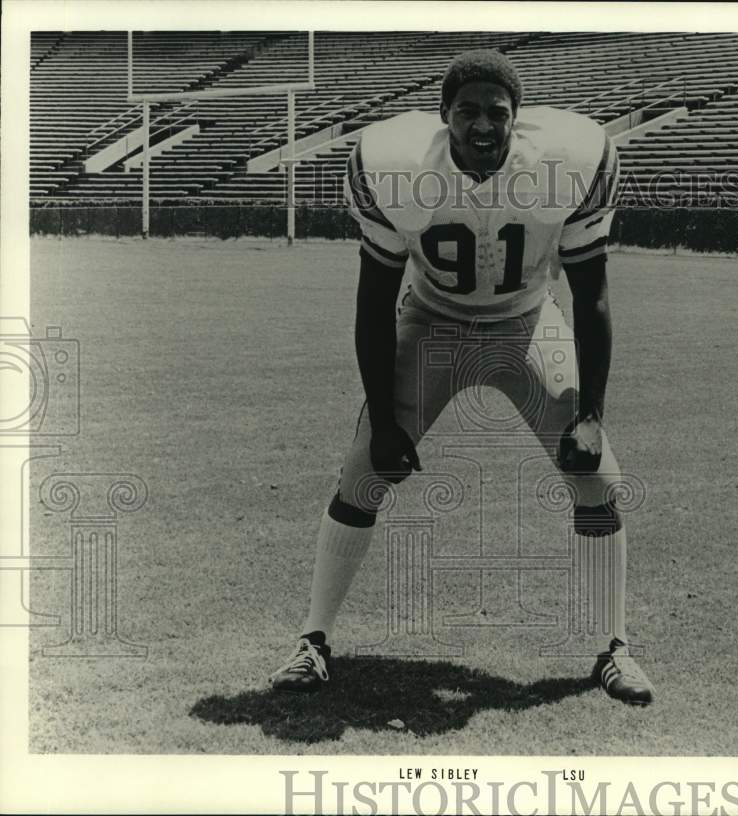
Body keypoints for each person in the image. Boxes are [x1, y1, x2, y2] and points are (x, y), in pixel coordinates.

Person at [270, 49, 654, 705]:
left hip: (526, 323)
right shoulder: (393, 165)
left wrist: (591, 414)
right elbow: (372, 305)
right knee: (364, 469)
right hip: (433, 323)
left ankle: (613, 648)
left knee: (596, 475)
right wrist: (386, 423)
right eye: (467, 113)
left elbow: (591, 296)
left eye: (497, 114)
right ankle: (312, 642)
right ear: (442, 115)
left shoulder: (571, 160)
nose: (483, 127)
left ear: (517, 117)